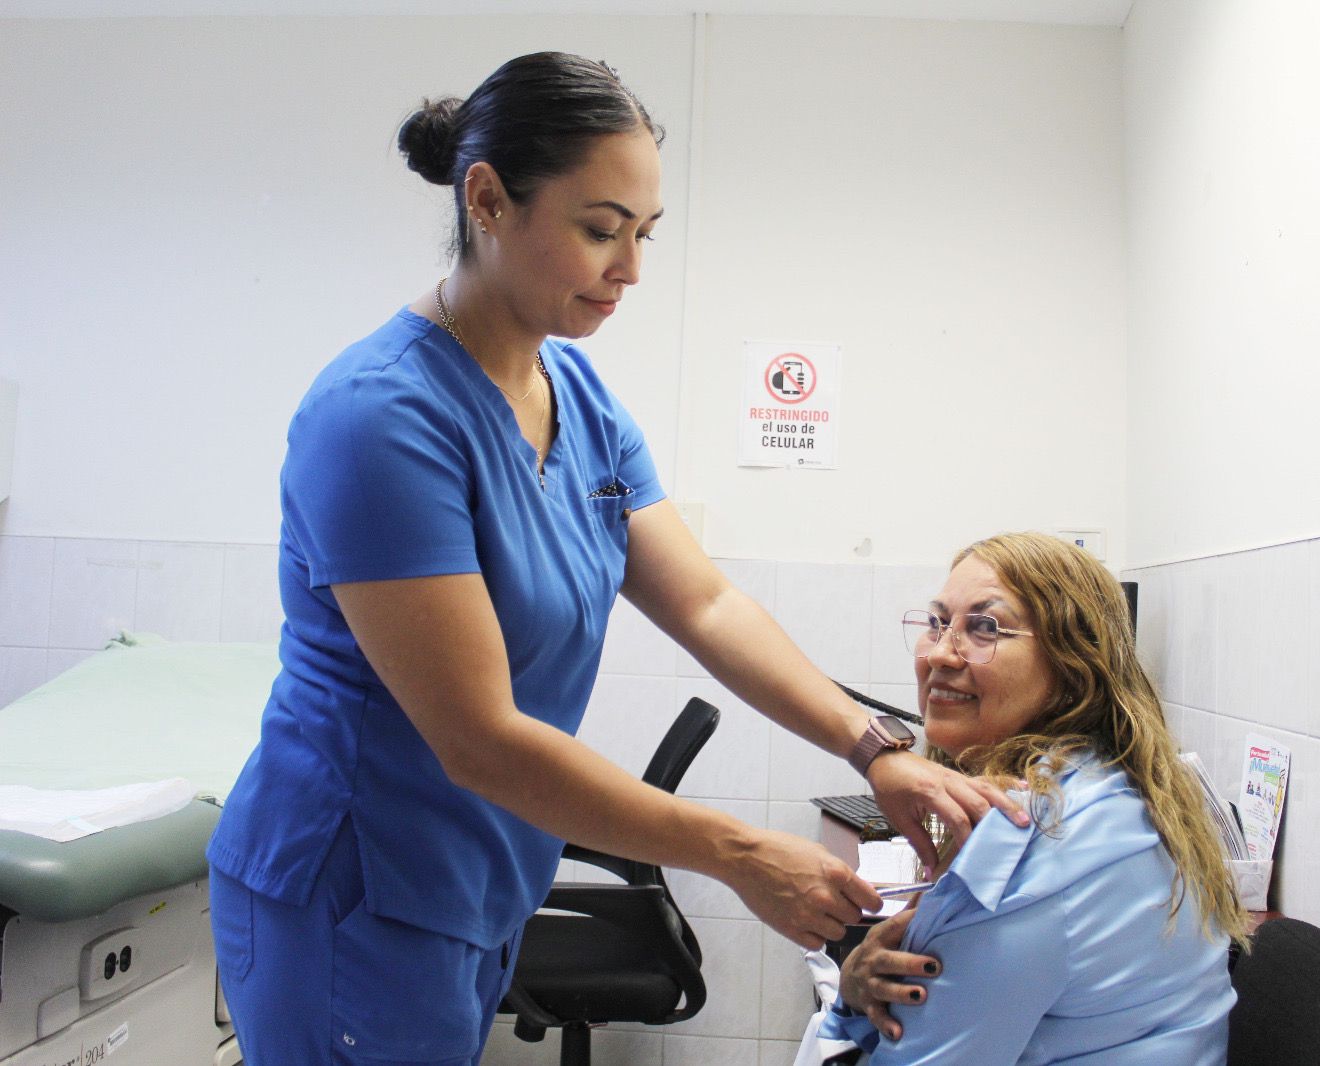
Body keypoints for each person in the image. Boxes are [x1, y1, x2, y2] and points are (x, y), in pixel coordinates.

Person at [205, 52, 1023, 1066]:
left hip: (478, 881)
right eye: (600, 228)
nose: (631, 267)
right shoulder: (380, 419)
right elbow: (481, 739)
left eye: (644, 233)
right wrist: (737, 853)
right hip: (353, 889)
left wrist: (876, 748)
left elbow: (709, 604)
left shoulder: (578, 398)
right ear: (488, 200)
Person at [815, 532, 1249, 1065]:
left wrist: (848, 1005)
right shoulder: (1107, 784)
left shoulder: (1033, 833)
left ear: (1072, 665)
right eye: (937, 623)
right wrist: (857, 991)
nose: (941, 653)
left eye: (985, 627)